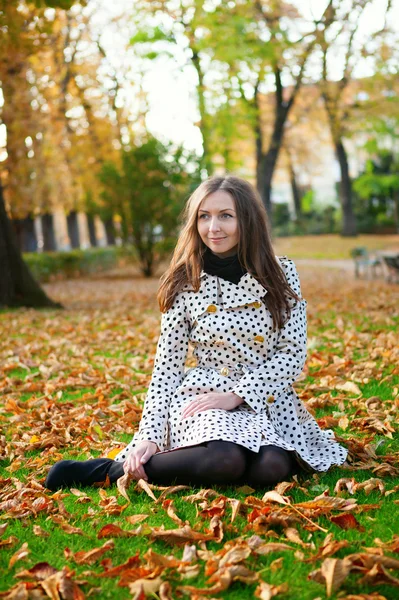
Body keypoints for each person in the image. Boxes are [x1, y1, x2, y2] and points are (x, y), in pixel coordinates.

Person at [45, 175, 347, 491]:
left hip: (264, 397)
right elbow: (166, 368)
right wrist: (150, 434)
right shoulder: (184, 282)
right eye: (204, 216)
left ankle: (176, 466)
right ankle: (110, 470)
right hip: (205, 396)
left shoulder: (282, 273)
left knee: (270, 468)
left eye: (225, 216)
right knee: (225, 460)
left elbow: (292, 353)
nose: (213, 228)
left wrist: (236, 395)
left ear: (247, 220)